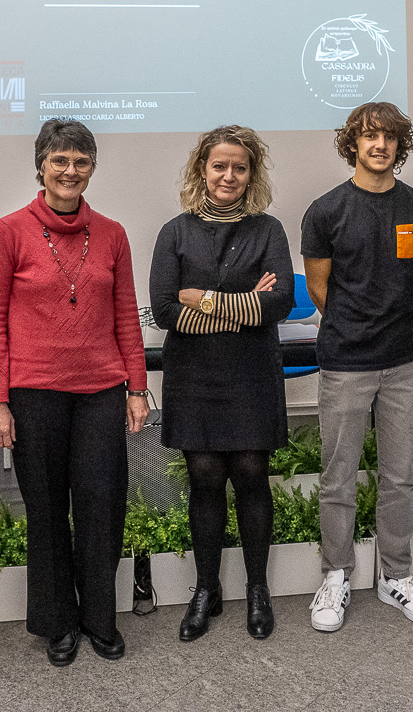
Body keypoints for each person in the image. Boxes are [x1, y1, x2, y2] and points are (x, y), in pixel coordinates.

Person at [0, 119, 149, 667]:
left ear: (92, 168)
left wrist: (138, 388)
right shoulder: (10, 231)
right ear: (41, 167)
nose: (70, 170)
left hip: (101, 391)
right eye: (60, 160)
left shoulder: (113, 233)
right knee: (47, 510)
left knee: (102, 507)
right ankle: (59, 621)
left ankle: (100, 618)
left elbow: (126, 315)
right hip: (33, 395)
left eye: (81, 161)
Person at [302, 102, 413, 631]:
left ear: (399, 145)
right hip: (346, 361)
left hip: (407, 359)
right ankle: (334, 576)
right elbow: (320, 289)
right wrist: (355, 325)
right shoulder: (326, 211)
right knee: (338, 478)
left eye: (388, 137)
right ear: (353, 144)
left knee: (399, 477)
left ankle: (396, 576)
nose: (378, 145)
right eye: (368, 137)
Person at [149, 125, 295, 642]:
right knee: (205, 477)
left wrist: (204, 299)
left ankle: (258, 590)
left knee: (252, 475)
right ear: (201, 170)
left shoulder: (268, 229)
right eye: (219, 165)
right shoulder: (175, 231)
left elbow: (279, 303)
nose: (228, 175)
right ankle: (205, 590)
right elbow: (165, 309)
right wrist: (242, 307)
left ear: (251, 173)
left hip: (251, 373)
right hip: (195, 375)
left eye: (239, 166)